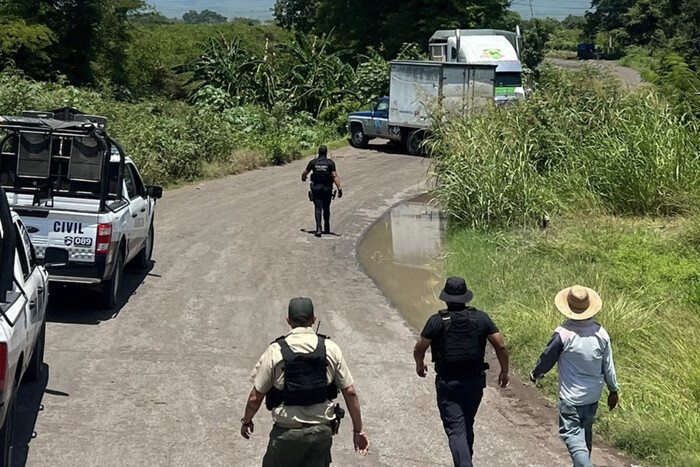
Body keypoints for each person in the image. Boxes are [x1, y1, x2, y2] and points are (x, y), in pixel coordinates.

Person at [240, 297, 370, 466]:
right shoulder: (331, 348)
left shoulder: (275, 351)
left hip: (286, 435)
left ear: (288, 320)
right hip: (320, 434)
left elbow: (255, 397)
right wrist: (358, 430)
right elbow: (350, 393)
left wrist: (247, 421)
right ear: (313, 319)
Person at [413, 277, 510, 467]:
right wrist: (504, 371)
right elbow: (501, 346)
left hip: (448, 383)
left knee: (456, 430)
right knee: (466, 423)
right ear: (465, 297)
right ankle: (466, 460)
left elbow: (420, 347)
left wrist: (420, 364)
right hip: (474, 382)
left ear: (446, 299)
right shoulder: (481, 318)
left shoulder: (436, 321)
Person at [530, 285, 619, 467]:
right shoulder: (601, 334)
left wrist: (536, 374)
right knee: (585, 437)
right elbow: (608, 366)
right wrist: (613, 390)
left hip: (571, 398)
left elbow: (547, 359)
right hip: (592, 396)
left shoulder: (563, 334)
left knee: (572, 436)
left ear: (568, 307)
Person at [301, 145, 342, 237]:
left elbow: (305, 173)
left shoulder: (313, 162)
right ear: (326, 153)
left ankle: (318, 228)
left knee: (318, 208)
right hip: (327, 188)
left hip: (316, 188)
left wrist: (303, 177)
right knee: (326, 208)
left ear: (318, 152)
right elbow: (335, 176)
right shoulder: (330, 163)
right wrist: (339, 188)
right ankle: (327, 227)